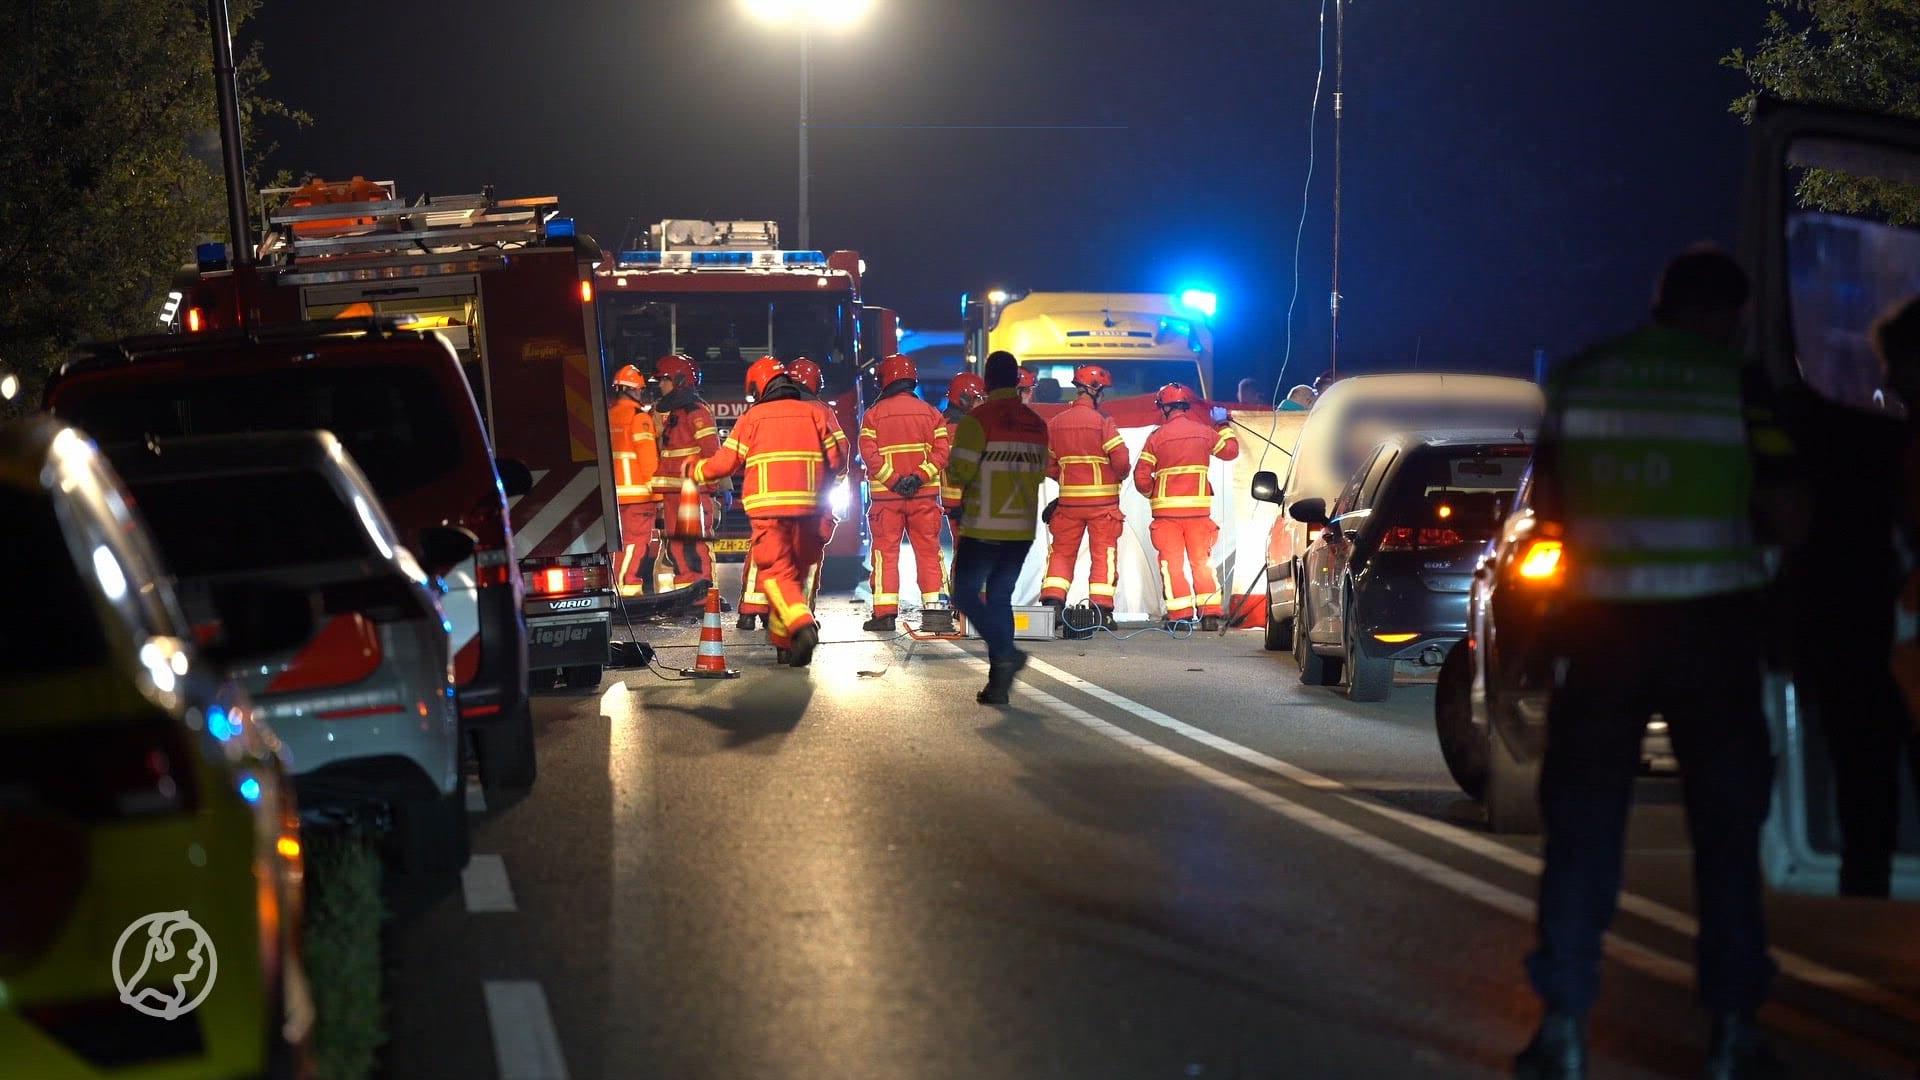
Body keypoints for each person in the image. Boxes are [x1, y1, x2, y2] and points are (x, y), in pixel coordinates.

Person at [1513, 246, 1798, 1079]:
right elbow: (1789, 510)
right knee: (1725, 838)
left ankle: (1563, 1030)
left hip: (1600, 636)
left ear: (1660, 301)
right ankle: (1733, 1036)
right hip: (1712, 636)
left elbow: (1552, 508)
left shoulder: (1582, 378)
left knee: (1584, 835)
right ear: (1726, 314)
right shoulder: (1737, 384)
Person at [1778, 298, 1911, 897]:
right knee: (1866, 773)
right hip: (1875, 649)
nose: (1887, 381)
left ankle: (1868, 878)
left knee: (1865, 774)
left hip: (1869, 648)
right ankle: (1867, 877)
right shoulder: (1880, 447)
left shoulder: (1867, 451)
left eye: (1899, 364)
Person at [693, 358, 845, 667]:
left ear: (758, 387)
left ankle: (801, 625)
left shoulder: (753, 417)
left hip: (769, 511)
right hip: (809, 510)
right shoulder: (816, 413)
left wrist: (695, 470)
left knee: (776, 574)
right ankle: (785, 644)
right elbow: (840, 458)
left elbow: (724, 464)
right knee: (796, 575)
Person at [944, 351, 1049, 704]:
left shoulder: (978, 419)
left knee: (965, 595)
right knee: (1000, 596)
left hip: (984, 524)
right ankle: (998, 684)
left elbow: (960, 472)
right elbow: (1039, 473)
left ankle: (1007, 653)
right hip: (1021, 528)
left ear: (987, 381)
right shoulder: (1036, 423)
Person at [1134, 383, 1239, 630]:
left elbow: (1141, 479)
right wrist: (1223, 425)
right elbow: (1230, 452)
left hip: (1167, 516)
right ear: (1185, 406)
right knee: (1201, 563)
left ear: (1165, 407)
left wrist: (1154, 492)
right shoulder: (1204, 432)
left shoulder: (1156, 438)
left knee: (1172, 566)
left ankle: (1180, 618)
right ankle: (1210, 614)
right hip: (1199, 514)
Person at [859, 354, 950, 632]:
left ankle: (885, 615)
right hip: (923, 498)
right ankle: (936, 613)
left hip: (887, 501)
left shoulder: (873, 415)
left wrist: (895, 481)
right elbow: (942, 453)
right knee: (929, 552)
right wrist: (918, 477)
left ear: (885, 380)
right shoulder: (932, 413)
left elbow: (869, 454)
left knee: (886, 554)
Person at [1039, 365, 1129, 630]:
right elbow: (1122, 462)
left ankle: (1053, 606)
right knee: (1104, 555)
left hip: (1068, 505)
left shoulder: (1056, 423)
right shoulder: (1103, 422)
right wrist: (1113, 476)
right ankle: (1101, 612)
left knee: (1062, 554)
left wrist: (1068, 480)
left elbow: (1048, 464)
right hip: (1103, 507)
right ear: (1095, 390)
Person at [650, 353, 726, 591]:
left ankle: (702, 591)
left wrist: (713, 487)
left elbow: (712, 451)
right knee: (676, 542)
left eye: (664, 380)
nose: (660, 385)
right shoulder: (670, 412)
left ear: (679, 380)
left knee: (694, 543)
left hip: (692, 490)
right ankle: (685, 588)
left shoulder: (696, 411)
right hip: (673, 490)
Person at [787, 356, 848, 611]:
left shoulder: (769, 410)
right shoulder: (821, 411)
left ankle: (757, 609)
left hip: (774, 495)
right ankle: (802, 609)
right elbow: (841, 449)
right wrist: (835, 481)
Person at [607, 364, 660, 598]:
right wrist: (658, 495)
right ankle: (626, 587)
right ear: (634, 391)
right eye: (639, 390)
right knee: (635, 542)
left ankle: (612, 584)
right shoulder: (640, 419)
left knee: (614, 544)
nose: (641, 394)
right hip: (638, 496)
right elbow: (648, 461)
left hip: (611, 495)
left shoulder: (607, 416)